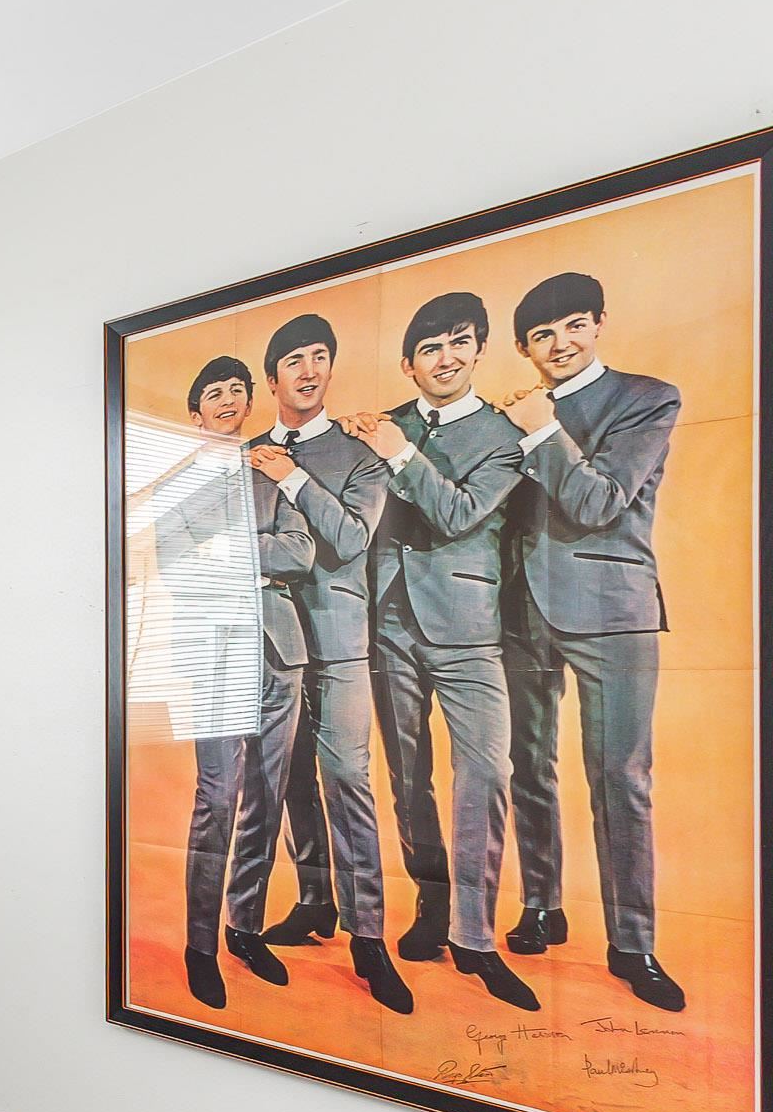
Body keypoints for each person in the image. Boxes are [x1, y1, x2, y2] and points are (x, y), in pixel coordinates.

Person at [340, 292, 534, 1010]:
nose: (445, 357)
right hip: (388, 626)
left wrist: (397, 450)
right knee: (407, 780)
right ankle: (430, 907)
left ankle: (474, 938)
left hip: (469, 628)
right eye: (430, 347)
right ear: (409, 363)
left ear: (479, 348)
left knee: (485, 772)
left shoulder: (505, 434)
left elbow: (456, 514)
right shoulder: (383, 424)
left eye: (458, 342)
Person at [499, 271, 685, 1012]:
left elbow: (599, 499)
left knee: (621, 780)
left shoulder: (647, 399)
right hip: (520, 611)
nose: (560, 344)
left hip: (613, 608)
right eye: (542, 335)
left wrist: (540, 429)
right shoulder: (507, 413)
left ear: (599, 323)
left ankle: (632, 944)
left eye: (573, 326)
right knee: (528, 770)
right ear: (524, 347)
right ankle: (542, 905)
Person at [244, 313, 409, 1012]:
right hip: (273, 645)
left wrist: (292, 481)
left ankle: (368, 938)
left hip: (340, 642)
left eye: (320, 358)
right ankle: (315, 902)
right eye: (294, 361)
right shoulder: (243, 452)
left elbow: (346, 542)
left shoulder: (362, 454)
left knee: (347, 780)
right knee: (287, 784)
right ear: (272, 376)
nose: (308, 371)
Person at [159, 357, 314, 1008]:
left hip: (281, 649)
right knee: (217, 799)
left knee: (266, 799)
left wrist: (227, 554)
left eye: (235, 390)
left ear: (248, 403)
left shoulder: (269, 472)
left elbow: (301, 552)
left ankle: (244, 927)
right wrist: (255, 554)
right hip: (216, 655)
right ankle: (200, 946)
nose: (227, 399)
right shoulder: (174, 488)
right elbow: (176, 567)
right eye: (213, 392)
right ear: (197, 413)